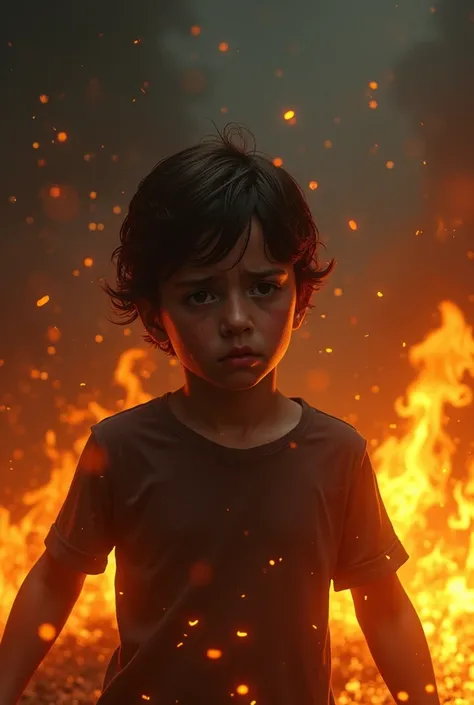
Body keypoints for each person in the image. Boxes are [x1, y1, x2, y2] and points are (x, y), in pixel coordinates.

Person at [0, 124, 440, 705]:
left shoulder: (337, 453)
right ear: (156, 316)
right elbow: (54, 584)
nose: (236, 319)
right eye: (201, 295)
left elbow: (383, 610)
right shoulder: (123, 447)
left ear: (299, 297)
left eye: (263, 287)